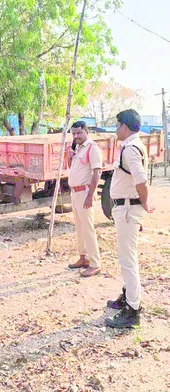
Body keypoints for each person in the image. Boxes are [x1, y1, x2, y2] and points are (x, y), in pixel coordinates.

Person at [105, 109, 154, 328]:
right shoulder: (133, 145)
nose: (116, 129)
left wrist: (144, 202)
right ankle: (128, 297)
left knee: (128, 260)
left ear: (124, 126)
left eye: (117, 125)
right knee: (126, 258)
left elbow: (140, 180)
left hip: (128, 208)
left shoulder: (131, 149)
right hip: (125, 208)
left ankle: (133, 310)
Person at [67, 121, 102, 277]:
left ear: (86, 131)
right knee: (80, 228)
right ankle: (84, 257)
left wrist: (89, 196)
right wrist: (69, 157)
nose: (76, 136)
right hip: (75, 193)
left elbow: (97, 173)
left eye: (79, 133)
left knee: (88, 229)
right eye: (74, 133)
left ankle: (95, 263)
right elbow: (74, 170)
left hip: (84, 193)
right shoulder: (78, 148)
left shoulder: (92, 148)